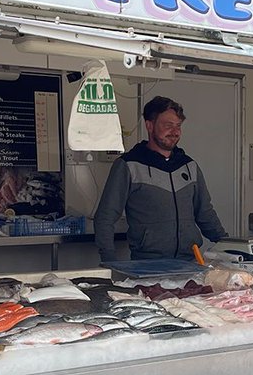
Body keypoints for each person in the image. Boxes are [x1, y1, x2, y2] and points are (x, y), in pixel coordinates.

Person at [94, 96, 226, 262]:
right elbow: (105, 217)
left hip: (190, 263)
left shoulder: (189, 166)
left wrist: (229, 246)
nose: (175, 131)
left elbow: (205, 213)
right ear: (149, 125)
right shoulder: (128, 165)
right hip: (147, 265)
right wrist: (109, 260)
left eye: (178, 126)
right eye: (168, 125)